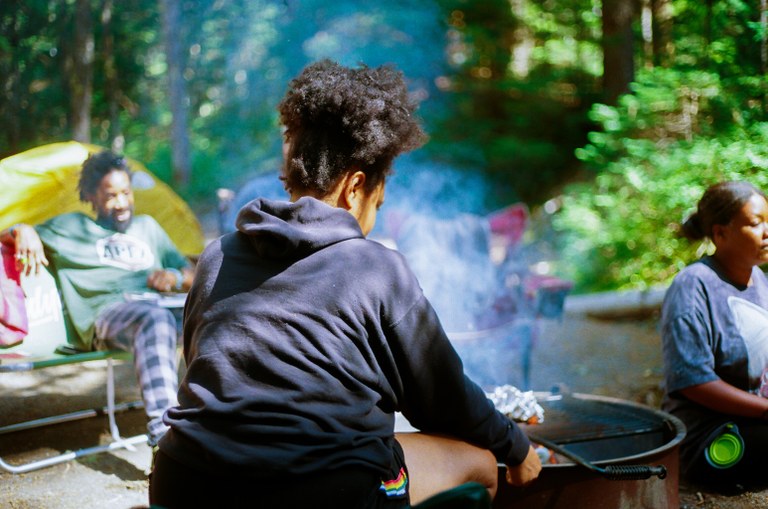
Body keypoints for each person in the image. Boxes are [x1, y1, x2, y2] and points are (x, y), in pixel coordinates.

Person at [150, 59, 541, 508]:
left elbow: (201, 366)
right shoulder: (376, 266)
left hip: (184, 484)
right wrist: (515, 446)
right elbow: (443, 399)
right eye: (379, 201)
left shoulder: (218, 255)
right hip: (318, 493)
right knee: (481, 464)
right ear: (355, 187)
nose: (374, 217)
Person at [0, 151, 195, 447]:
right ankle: (167, 438)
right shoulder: (71, 227)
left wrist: (175, 277)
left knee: (219, 313)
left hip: (163, 309)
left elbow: (193, 273)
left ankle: (223, 420)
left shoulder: (148, 227)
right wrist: (22, 229)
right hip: (109, 317)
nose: (122, 203)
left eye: (126, 193)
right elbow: (10, 235)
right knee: (154, 318)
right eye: (111, 196)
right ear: (91, 196)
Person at [661, 180, 768, 488]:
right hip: (713, 435)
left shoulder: (759, 280)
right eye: (755, 223)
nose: (767, 232)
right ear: (720, 233)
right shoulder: (693, 286)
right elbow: (694, 382)